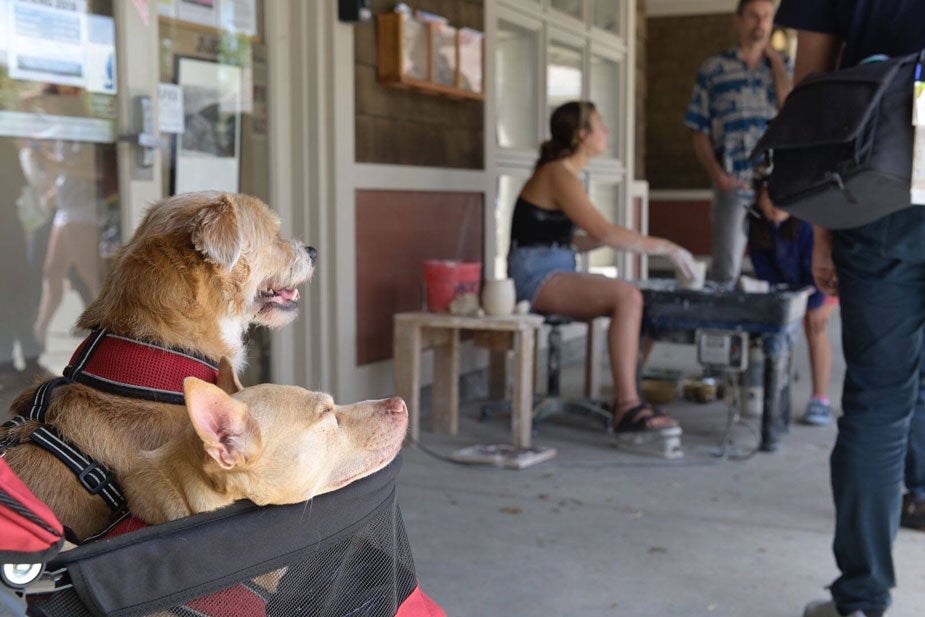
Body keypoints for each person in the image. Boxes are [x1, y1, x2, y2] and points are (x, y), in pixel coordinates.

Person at [774, 2, 925, 616]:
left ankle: (862, 600)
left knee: (879, 401)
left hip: (880, 181)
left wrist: (822, 224)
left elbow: (813, 94)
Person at [507, 100, 697, 437]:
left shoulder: (566, 175)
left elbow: (568, 239)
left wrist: (601, 238)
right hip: (534, 277)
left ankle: (631, 396)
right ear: (582, 135)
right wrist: (668, 248)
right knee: (627, 297)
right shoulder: (558, 174)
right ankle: (627, 407)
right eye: (600, 124)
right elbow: (605, 232)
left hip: (554, 267)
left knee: (642, 297)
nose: (607, 131)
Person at [685, 0, 792, 284]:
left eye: (767, 17)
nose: (760, 23)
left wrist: (775, 60)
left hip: (776, 183)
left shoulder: (784, 66)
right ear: (739, 20)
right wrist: (717, 175)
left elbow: (791, 108)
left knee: (784, 265)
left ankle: (777, 316)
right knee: (726, 268)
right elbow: (698, 128)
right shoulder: (714, 68)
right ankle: (724, 315)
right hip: (733, 182)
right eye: (754, 16)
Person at [747, 189, 837, 426]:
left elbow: (817, 268)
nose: (776, 204)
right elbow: (763, 268)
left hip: (824, 284)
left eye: (782, 196)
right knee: (778, 328)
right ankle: (775, 393)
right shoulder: (757, 224)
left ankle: (820, 399)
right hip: (789, 287)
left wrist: (813, 305)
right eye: (769, 196)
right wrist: (781, 300)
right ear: (759, 197)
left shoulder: (807, 224)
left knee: (814, 326)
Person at [31, 87, 101, 348]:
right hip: (66, 209)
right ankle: (38, 332)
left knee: (90, 275)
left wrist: (52, 162)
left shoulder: (83, 130)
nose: (46, 108)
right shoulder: (63, 130)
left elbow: (92, 171)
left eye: (48, 103)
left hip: (82, 211)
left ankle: (108, 332)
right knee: (53, 272)